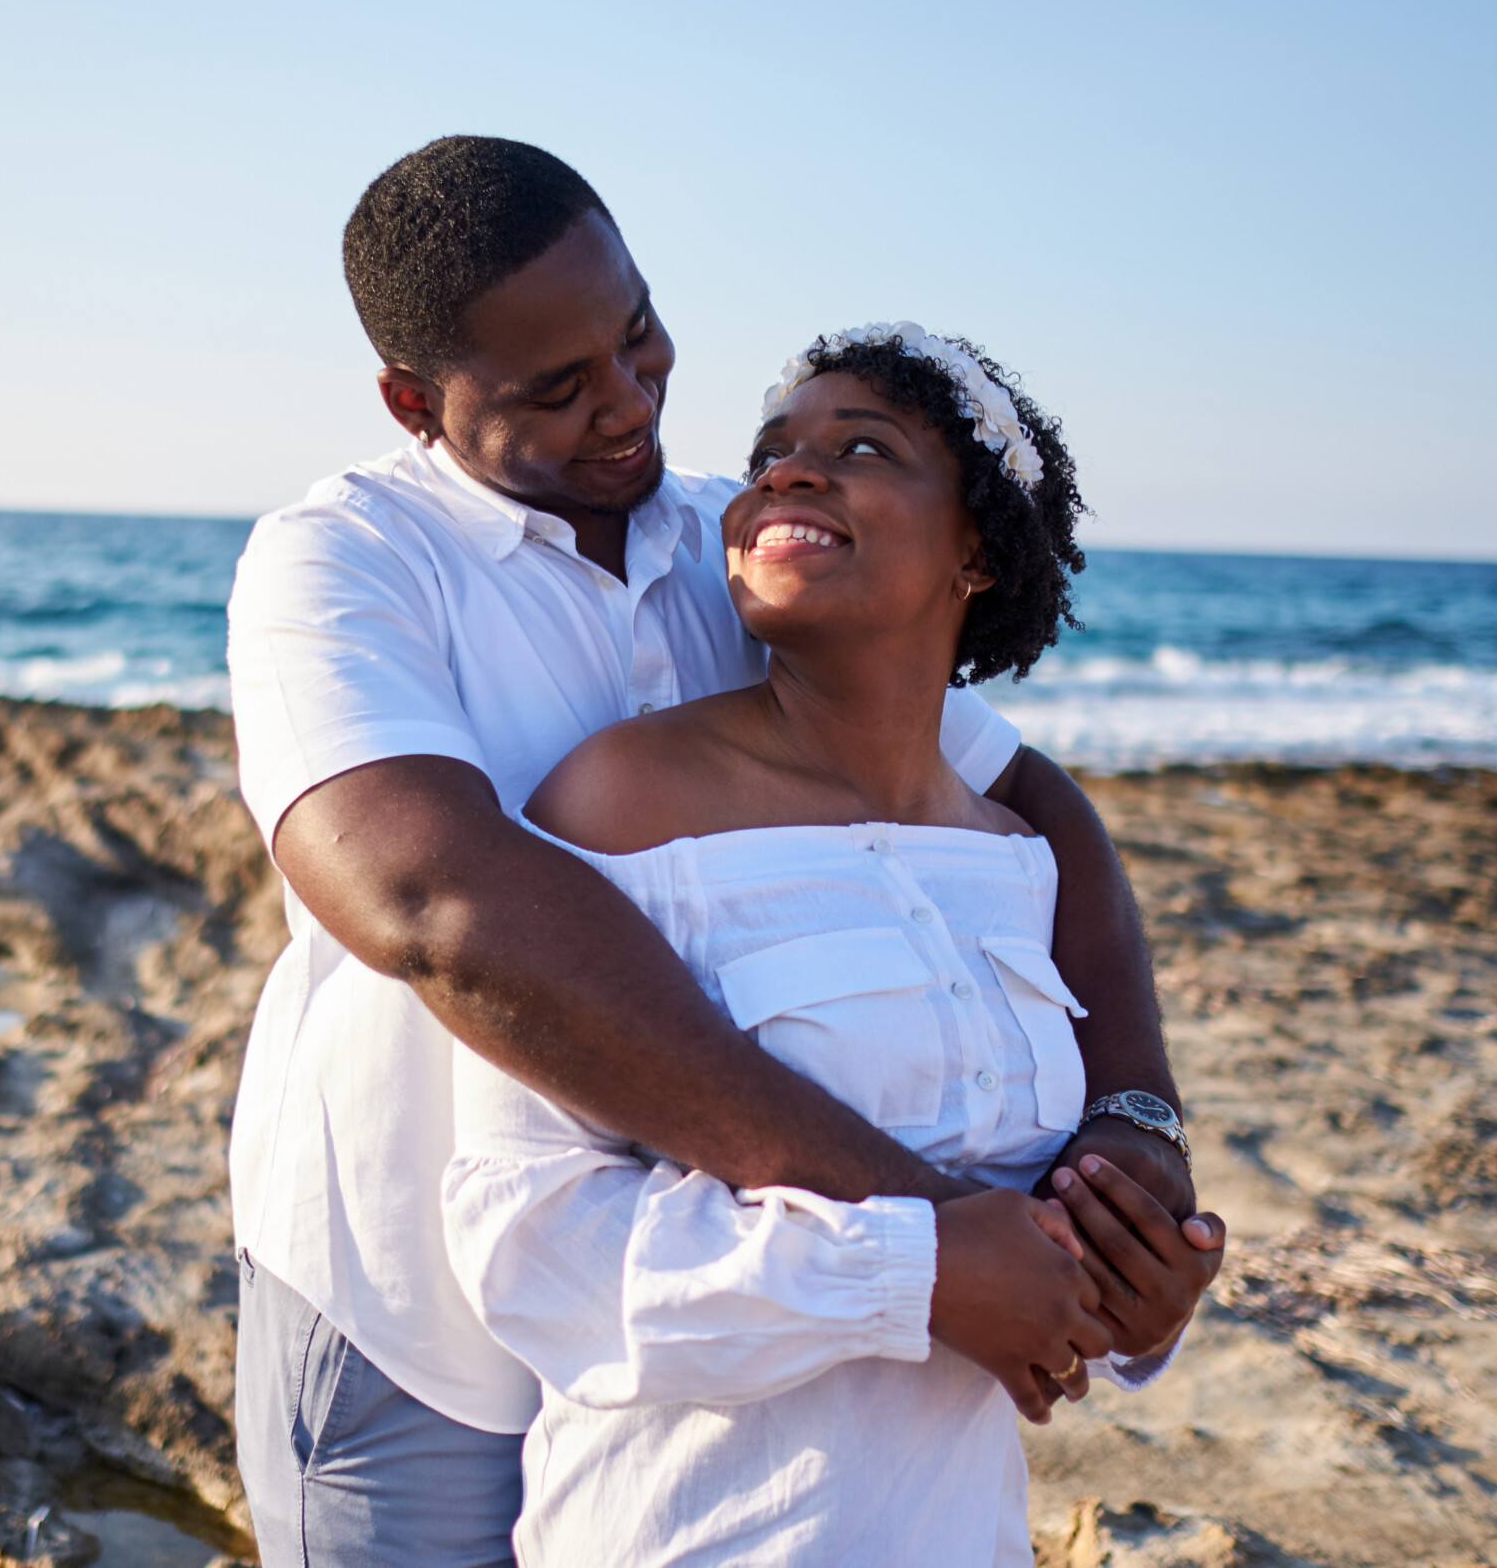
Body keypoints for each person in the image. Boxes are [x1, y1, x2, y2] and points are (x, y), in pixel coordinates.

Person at [225, 137, 1211, 1567]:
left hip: (715, 1328)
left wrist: (1137, 1120)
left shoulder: (732, 539)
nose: (626, 406)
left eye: (637, 340)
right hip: (414, 1313)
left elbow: (1037, 804)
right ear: (414, 401)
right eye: (557, 390)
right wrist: (928, 1233)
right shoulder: (346, 563)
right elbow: (433, 901)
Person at [443, 323, 1224, 1565]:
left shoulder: (1015, 861)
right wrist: (905, 1272)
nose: (787, 475)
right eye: (769, 454)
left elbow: (1046, 1229)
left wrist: (1137, 1287)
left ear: (975, 546)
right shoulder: (616, 803)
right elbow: (530, 1246)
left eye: (859, 448)